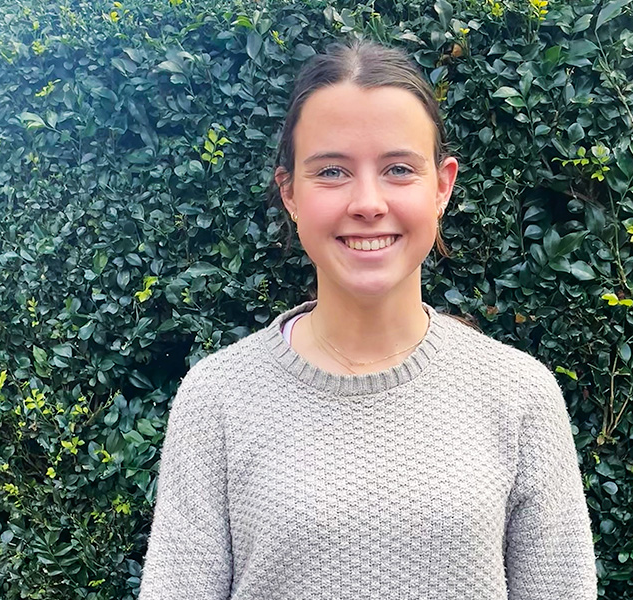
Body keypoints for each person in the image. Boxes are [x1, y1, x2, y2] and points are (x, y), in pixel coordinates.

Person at [138, 39, 597, 600]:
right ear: (289, 193)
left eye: (399, 168)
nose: (368, 202)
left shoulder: (520, 395)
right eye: (331, 171)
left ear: (442, 186)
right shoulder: (217, 399)